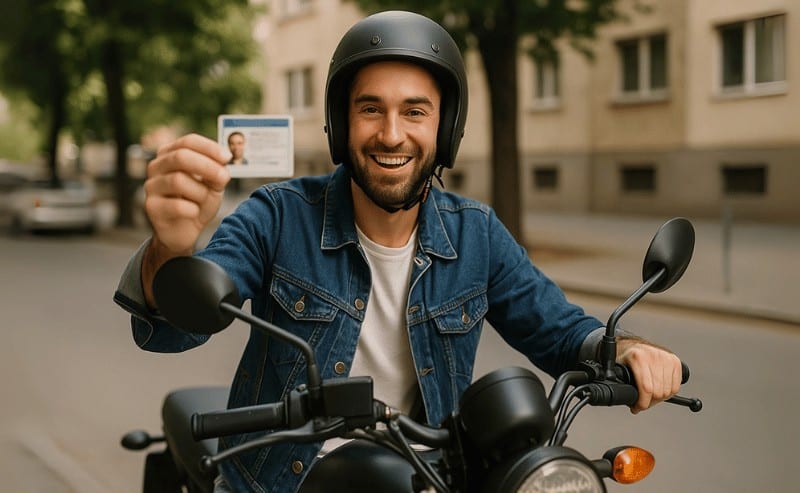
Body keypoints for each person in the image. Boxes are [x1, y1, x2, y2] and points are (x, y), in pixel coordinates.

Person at [114, 10, 683, 493]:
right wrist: (172, 245)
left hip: (423, 478)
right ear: (341, 122)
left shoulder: (476, 233)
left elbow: (560, 330)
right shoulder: (277, 215)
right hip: (273, 481)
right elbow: (171, 329)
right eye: (370, 109)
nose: (391, 134)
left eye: (415, 111)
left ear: (446, 127)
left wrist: (628, 349)